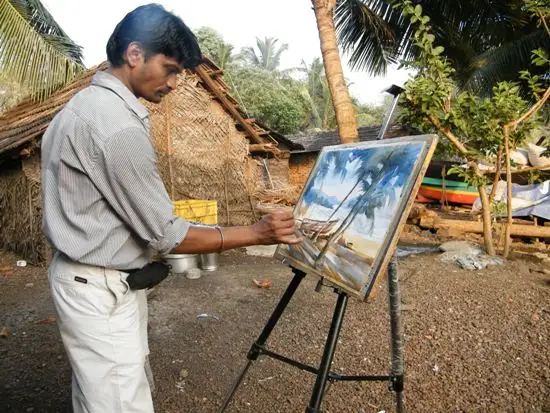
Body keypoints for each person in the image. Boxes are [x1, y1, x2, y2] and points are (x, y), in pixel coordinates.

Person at [40, 4, 301, 413]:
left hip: (91, 280)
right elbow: (168, 234)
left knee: (101, 394)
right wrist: (256, 233)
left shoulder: (83, 107)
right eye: (170, 68)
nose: (175, 83)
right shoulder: (117, 126)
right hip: (98, 287)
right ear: (134, 54)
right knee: (118, 404)